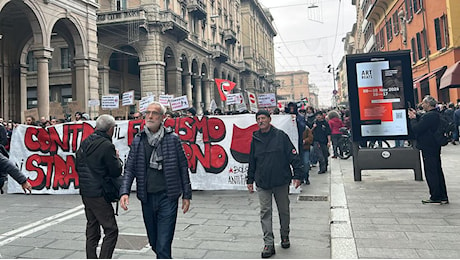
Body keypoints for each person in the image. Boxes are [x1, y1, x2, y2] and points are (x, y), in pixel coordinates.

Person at [119, 101, 192, 259]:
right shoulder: (139, 140)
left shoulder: (173, 139)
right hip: (147, 198)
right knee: (154, 241)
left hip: (168, 197)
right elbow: (130, 167)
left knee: (164, 243)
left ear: (163, 117)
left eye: (155, 113)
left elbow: (182, 167)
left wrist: (187, 195)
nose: (150, 116)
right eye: (148, 113)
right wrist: (124, 191)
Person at [246, 110, 303, 258]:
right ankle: (268, 244)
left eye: (263, 118)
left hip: (280, 180)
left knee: (283, 210)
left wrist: (298, 174)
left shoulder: (281, 136)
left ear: (269, 119)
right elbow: (252, 160)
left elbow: (293, 155)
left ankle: (285, 235)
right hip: (263, 181)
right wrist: (249, 179)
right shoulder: (255, 138)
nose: (260, 121)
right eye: (258, 119)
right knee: (265, 212)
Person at [75, 114, 123, 259]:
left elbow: (78, 165)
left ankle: (91, 257)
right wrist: (117, 158)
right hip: (99, 192)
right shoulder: (107, 145)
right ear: (110, 129)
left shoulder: (85, 142)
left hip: (86, 191)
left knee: (92, 227)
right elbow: (115, 170)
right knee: (111, 229)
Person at [408, 95, 448, 204]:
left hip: (428, 146)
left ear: (428, 104)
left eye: (423, 103)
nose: (422, 105)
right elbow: (424, 121)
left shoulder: (429, 116)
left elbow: (417, 128)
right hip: (435, 146)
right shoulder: (436, 114)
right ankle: (443, 195)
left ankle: (435, 196)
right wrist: (417, 115)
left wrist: (412, 119)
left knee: (431, 171)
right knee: (437, 170)